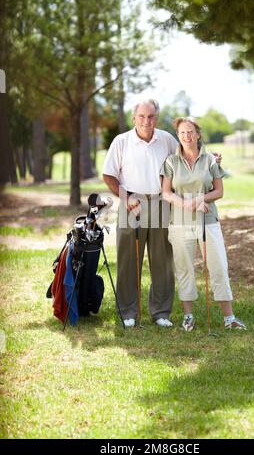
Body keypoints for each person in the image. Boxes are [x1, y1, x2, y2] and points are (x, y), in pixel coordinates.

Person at [161, 117, 246, 332]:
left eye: (190, 132)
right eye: (182, 133)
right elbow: (166, 192)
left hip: (209, 221)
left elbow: (219, 191)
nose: (186, 136)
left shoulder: (210, 160)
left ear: (198, 134)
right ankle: (188, 316)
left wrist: (200, 200)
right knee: (185, 268)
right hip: (179, 221)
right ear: (178, 137)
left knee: (218, 266)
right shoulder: (171, 161)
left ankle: (229, 318)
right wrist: (186, 204)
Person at [102, 99, 177, 327]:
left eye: (151, 116)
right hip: (130, 204)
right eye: (142, 116)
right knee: (128, 260)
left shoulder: (166, 139)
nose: (147, 121)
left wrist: (210, 158)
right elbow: (108, 175)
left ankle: (161, 312)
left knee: (162, 259)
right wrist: (125, 198)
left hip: (160, 203)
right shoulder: (121, 141)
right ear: (134, 118)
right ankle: (128, 313)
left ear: (157, 118)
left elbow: (185, 157)